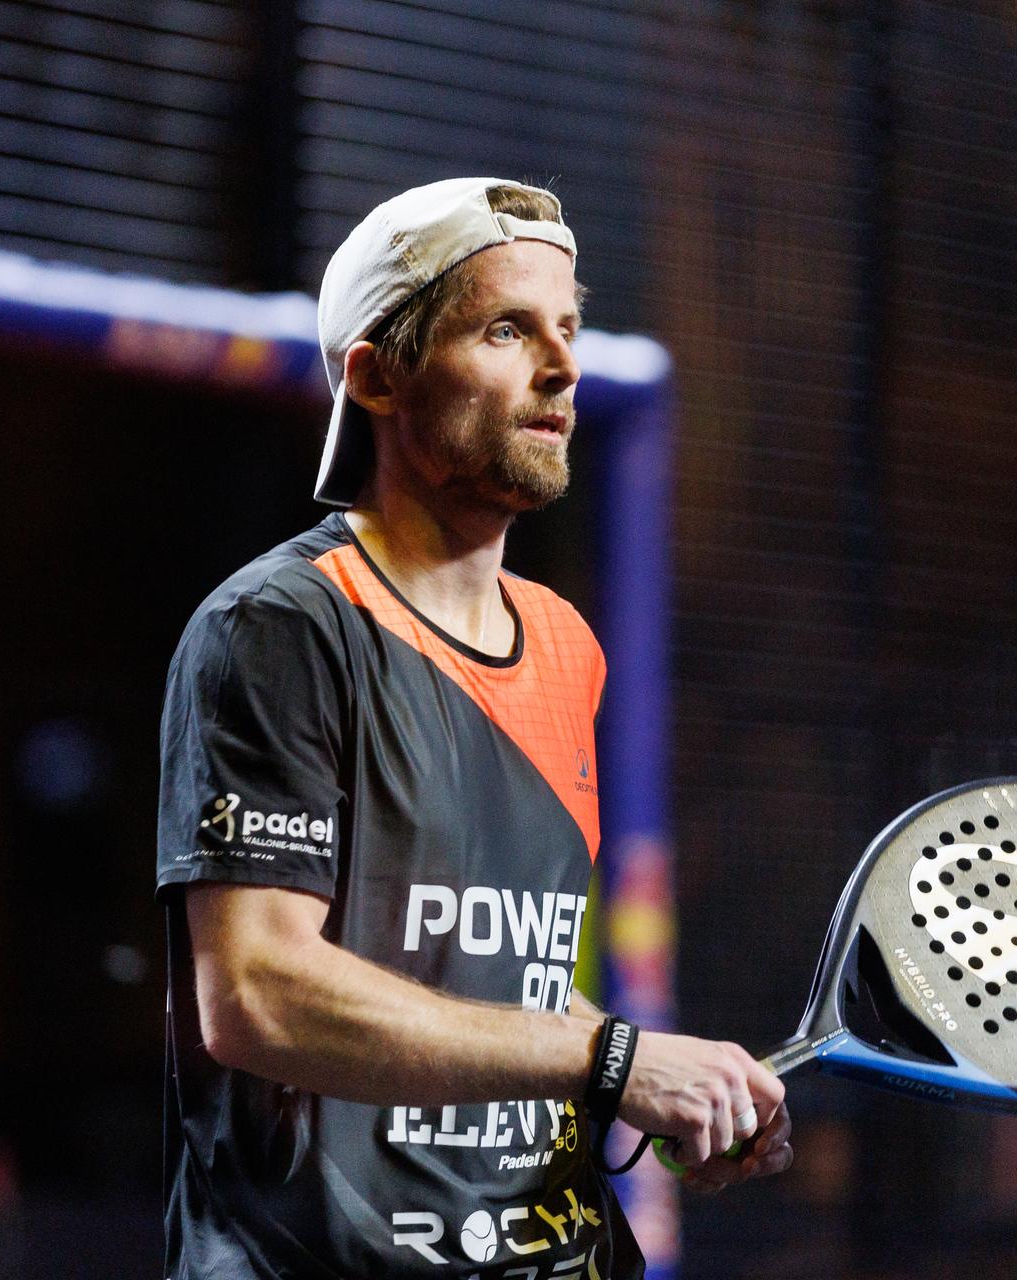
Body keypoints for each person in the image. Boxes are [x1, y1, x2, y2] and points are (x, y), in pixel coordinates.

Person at [156, 177, 792, 1279]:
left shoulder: (564, 645)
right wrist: (612, 1056)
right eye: (507, 328)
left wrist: (681, 1087)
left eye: (569, 329)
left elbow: (510, 980)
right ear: (377, 376)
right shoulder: (279, 629)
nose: (562, 367)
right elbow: (256, 991)